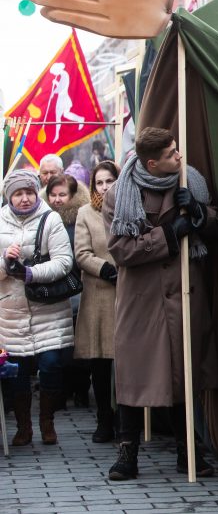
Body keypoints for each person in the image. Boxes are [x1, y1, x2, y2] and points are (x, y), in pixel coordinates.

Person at [103, 127, 218, 481]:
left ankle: (189, 453)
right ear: (151, 163)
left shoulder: (189, 181)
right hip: (142, 298)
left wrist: (198, 212)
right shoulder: (119, 195)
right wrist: (171, 232)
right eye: (171, 154)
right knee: (133, 375)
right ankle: (127, 453)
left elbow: (216, 224)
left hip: (185, 291)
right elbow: (122, 249)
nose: (179, 157)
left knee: (184, 371)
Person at [0, 169, 75, 446]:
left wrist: (30, 273)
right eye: (18, 193)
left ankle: (47, 421)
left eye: (28, 192)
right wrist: (6, 263)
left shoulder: (50, 218)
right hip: (11, 312)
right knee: (17, 371)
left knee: (52, 365)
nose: (24, 198)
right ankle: (23, 427)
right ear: (9, 196)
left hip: (49, 308)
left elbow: (64, 262)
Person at [73, 160, 120, 443]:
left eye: (109, 181)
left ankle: (128, 418)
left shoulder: (130, 207)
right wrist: (105, 269)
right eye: (99, 182)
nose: (104, 187)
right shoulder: (85, 213)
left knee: (127, 361)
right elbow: (81, 252)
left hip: (129, 292)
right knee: (101, 362)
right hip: (100, 292)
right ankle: (104, 418)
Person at [46, 173, 92, 408]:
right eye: (52, 195)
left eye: (62, 194)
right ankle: (60, 392)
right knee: (58, 346)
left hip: (78, 291)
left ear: (73, 196)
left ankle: (80, 389)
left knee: (78, 346)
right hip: (52, 292)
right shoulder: (43, 220)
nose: (56, 199)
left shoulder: (81, 219)